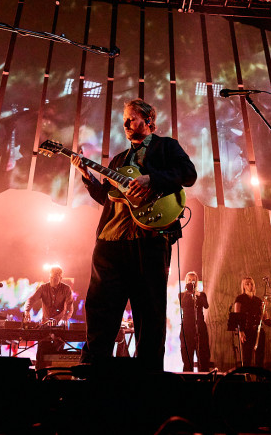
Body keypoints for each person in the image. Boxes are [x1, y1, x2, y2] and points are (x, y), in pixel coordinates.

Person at [73, 98, 197, 371]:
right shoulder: (119, 159)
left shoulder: (167, 147)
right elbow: (108, 198)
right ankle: (93, 373)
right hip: (110, 242)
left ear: (149, 120)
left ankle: (148, 379)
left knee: (149, 313)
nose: (127, 124)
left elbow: (188, 174)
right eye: (125, 120)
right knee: (100, 310)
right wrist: (86, 176)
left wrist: (151, 179)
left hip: (149, 241)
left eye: (132, 119)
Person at [179, 271, 211, 372]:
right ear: (186, 281)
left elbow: (206, 305)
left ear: (197, 282)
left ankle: (204, 377)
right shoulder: (181, 294)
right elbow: (182, 304)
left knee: (203, 354)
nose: (192, 282)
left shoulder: (201, 294)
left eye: (194, 280)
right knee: (187, 354)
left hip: (199, 326)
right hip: (187, 327)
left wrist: (198, 295)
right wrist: (189, 294)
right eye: (189, 280)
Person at [234, 277, 265, 367]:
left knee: (260, 357)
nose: (250, 286)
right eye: (247, 284)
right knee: (247, 357)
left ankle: (260, 378)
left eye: (252, 284)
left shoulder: (258, 300)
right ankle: (247, 378)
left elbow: (264, 318)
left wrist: (264, 308)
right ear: (243, 286)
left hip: (259, 331)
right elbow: (237, 316)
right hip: (246, 330)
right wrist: (241, 331)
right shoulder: (240, 299)